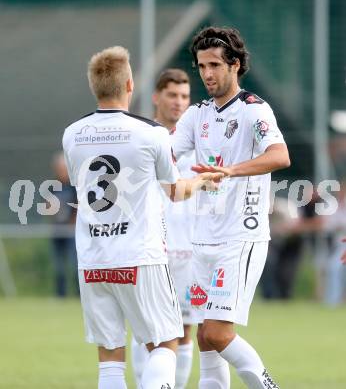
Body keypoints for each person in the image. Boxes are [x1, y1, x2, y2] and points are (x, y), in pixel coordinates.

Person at [62, 46, 223, 389]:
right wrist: (201, 181)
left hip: (92, 260)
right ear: (130, 85)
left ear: (94, 86)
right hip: (140, 256)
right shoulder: (151, 133)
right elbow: (174, 191)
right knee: (166, 343)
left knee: (109, 357)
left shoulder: (72, 134)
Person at [172, 26, 290, 388]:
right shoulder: (197, 114)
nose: (207, 73)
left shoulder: (255, 110)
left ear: (234, 65)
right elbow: (166, 156)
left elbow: (280, 156)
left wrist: (232, 170)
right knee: (205, 338)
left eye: (214, 65)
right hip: (202, 240)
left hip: (240, 239)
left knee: (219, 334)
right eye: (201, 66)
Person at [131, 68, 195, 389]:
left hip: (189, 251)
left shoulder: (197, 142)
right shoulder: (144, 138)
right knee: (147, 331)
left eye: (184, 96)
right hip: (149, 246)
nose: (179, 102)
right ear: (156, 97)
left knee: (184, 330)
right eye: (172, 95)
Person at [50, 152, 78, 297]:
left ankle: (79, 295)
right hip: (57, 231)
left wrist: (73, 223)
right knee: (58, 266)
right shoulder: (52, 186)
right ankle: (60, 295)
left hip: (72, 232)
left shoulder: (75, 186)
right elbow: (47, 207)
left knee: (76, 265)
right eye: (58, 168)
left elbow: (79, 208)